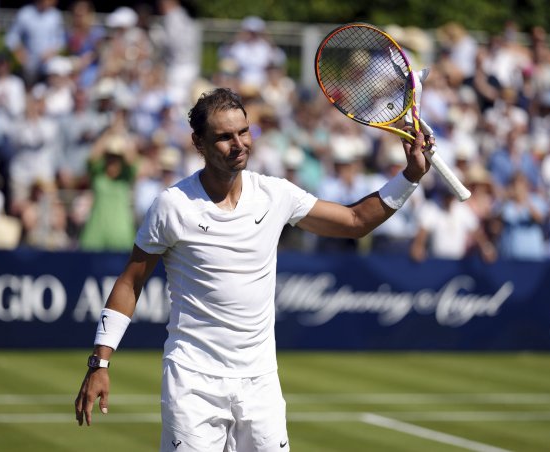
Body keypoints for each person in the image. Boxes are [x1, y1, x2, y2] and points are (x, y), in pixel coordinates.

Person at [74, 88, 432, 450]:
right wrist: (99, 362)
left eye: (244, 132)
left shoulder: (275, 194)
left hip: (261, 383)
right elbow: (130, 282)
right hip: (193, 382)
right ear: (199, 143)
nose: (239, 144)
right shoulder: (172, 206)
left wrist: (411, 176)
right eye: (225, 137)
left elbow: (355, 221)